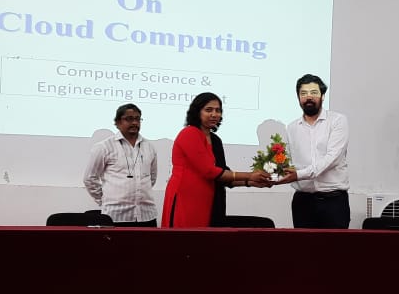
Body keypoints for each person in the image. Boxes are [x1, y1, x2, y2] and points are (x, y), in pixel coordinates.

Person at [162, 93, 270, 228]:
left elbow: (223, 174)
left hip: (212, 201)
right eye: (208, 110)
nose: (214, 114)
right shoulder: (189, 133)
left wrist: (252, 182)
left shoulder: (215, 140)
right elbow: (210, 171)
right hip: (187, 199)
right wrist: (249, 175)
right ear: (197, 112)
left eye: (218, 110)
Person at [274, 74, 350, 229]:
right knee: (302, 245)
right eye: (303, 93)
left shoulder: (337, 121)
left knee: (336, 245)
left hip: (333, 201)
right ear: (298, 98)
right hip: (303, 202)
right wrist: (274, 174)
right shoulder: (292, 127)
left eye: (314, 92)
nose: (308, 97)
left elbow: (332, 159)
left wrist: (298, 174)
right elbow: (290, 162)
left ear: (322, 96)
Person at [82, 103, 159, 227]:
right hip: (116, 216)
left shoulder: (149, 147)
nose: (134, 123)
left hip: (147, 215)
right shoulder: (104, 147)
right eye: (129, 119)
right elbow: (90, 178)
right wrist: (105, 200)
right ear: (117, 123)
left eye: (137, 119)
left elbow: (152, 178)